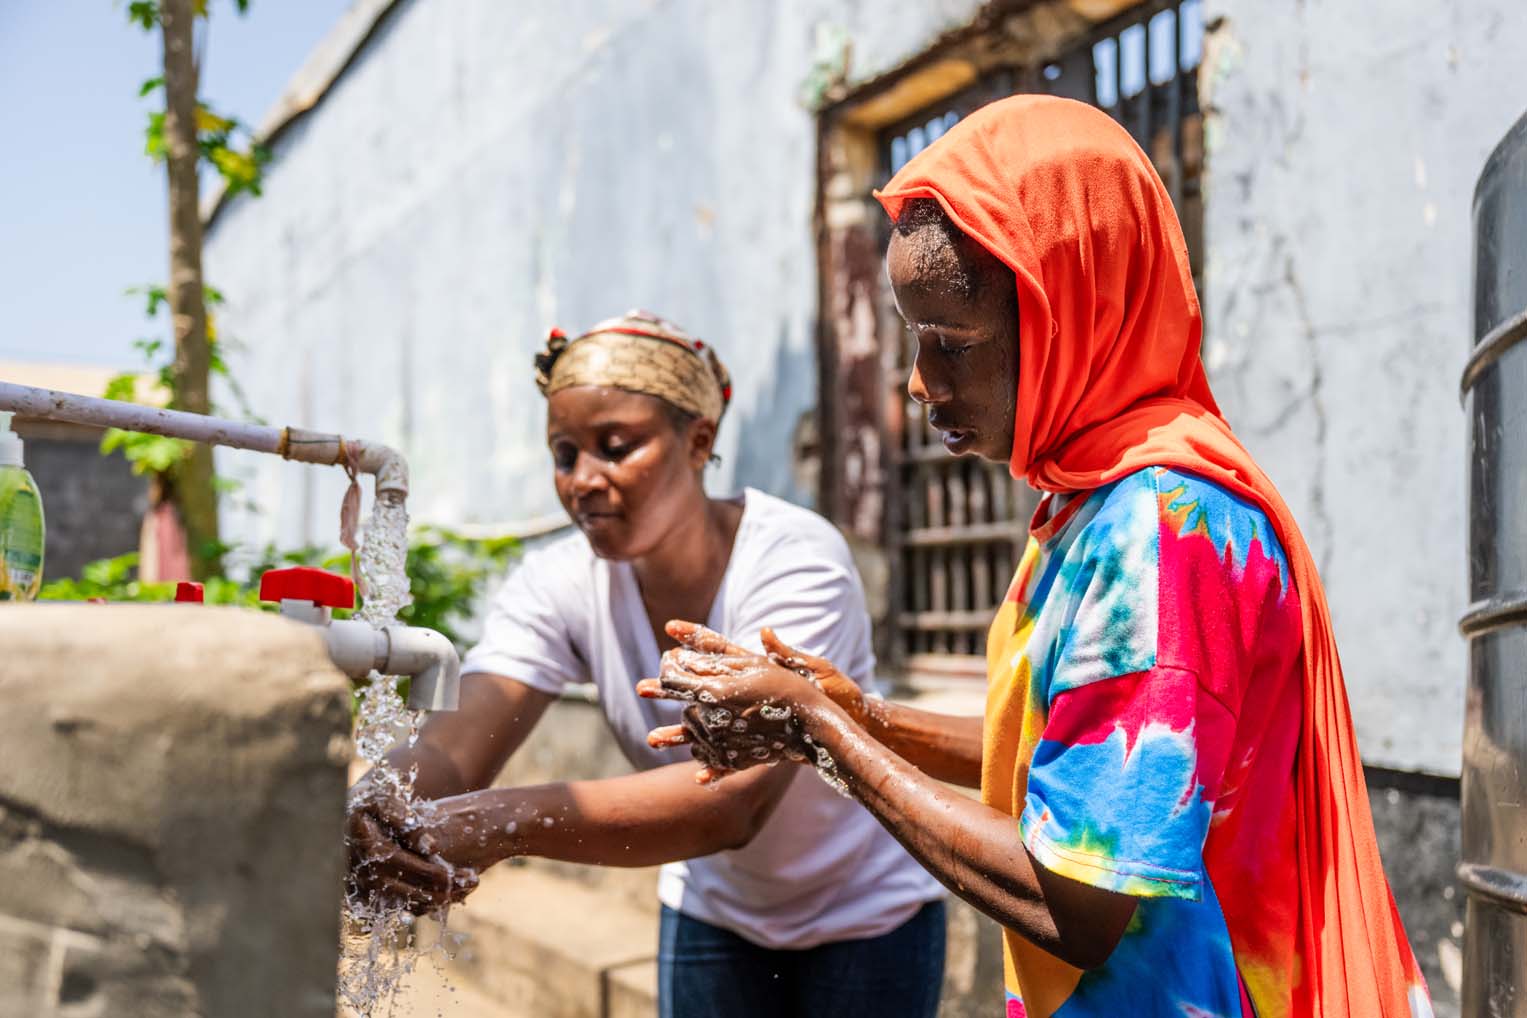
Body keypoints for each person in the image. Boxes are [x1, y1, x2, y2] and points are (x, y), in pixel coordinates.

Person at [641, 97, 1434, 1018]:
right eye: (912, 339)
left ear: (1074, 313)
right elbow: (1085, 759)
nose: (918, 382)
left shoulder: (1157, 533)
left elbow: (1078, 903)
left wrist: (824, 732)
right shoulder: (1093, 504)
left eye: (952, 342)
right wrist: (864, 714)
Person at [346, 310, 948, 1018]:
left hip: (866, 912)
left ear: (698, 441)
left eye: (616, 447)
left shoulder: (794, 562)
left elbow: (732, 803)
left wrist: (501, 824)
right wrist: (383, 805)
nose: (584, 481)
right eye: (565, 454)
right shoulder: (559, 585)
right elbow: (457, 744)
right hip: (712, 911)